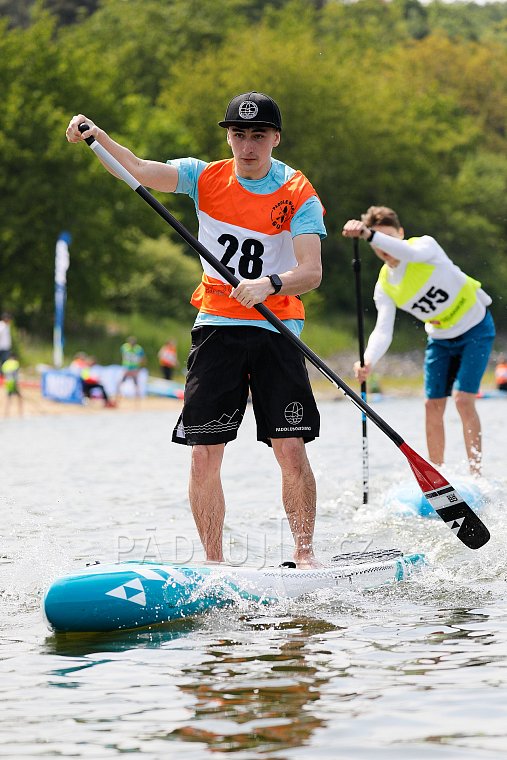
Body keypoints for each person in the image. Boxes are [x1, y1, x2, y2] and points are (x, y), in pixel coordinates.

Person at [66, 91, 326, 566]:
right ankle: (213, 563)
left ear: (276, 138)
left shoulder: (298, 193)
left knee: (289, 447)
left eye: (258, 136)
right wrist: (99, 137)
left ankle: (305, 558)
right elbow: (139, 170)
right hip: (217, 325)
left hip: (277, 326)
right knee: (203, 452)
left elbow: (311, 272)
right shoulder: (204, 176)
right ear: (228, 136)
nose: (247, 146)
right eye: (238, 135)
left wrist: (269, 283)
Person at [342, 207, 495, 476]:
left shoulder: (424, 246)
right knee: (431, 404)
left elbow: (408, 253)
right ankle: (439, 476)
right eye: (378, 242)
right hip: (440, 338)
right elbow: (383, 330)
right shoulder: (385, 285)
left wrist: (368, 234)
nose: (385, 248)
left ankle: (476, 474)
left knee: (462, 400)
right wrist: (368, 361)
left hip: (475, 327)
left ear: (400, 234)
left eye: (388, 238)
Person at [2, 352, 23, 416]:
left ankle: (6, 413)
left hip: (7, 382)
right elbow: (15, 374)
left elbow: (3, 373)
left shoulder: (5, 363)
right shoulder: (15, 363)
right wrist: (16, 383)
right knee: (19, 397)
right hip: (13, 382)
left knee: (8, 397)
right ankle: (20, 412)